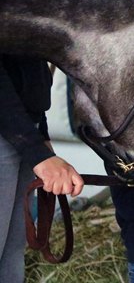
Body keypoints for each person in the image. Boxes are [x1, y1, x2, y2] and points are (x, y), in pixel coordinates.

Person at [0, 55, 84, 283]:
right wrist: (36, 151)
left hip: (22, 128)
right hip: (11, 130)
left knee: (11, 258)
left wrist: (40, 131)